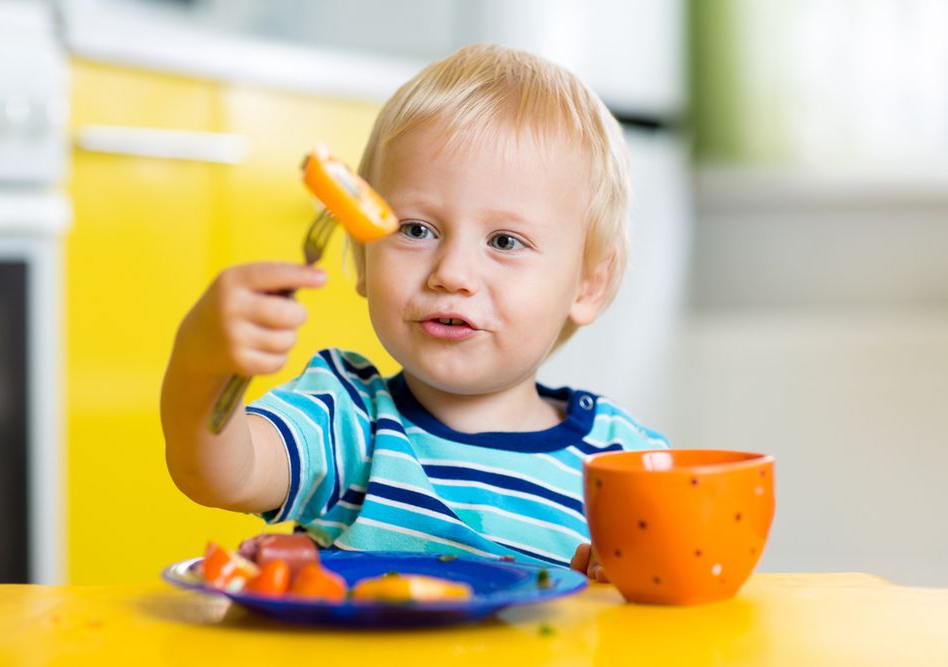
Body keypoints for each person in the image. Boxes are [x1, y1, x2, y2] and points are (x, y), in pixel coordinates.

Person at [161, 43, 668, 580]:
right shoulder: (347, 422)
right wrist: (203, 363)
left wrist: (630, 589)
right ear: (361, 256)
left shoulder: (622, 464)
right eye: (416, 230)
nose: (451, 272)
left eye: (504, 240)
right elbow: (219, 474)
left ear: (588, 284)